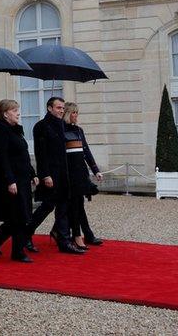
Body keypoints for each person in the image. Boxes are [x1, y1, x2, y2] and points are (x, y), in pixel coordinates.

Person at [0, 99, 38, 262]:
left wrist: (32, 173)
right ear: (6, 114)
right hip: (12, 180)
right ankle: (18, 252)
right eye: (15, 110)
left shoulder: (15, 130)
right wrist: (10, 180)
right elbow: (3, 157)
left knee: (21, 215)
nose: (18, 113)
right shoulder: (1, 130)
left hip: (22, 178)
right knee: (20, 216)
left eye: (17, 110)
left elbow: (23, 155)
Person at [30, 96, 84, 254]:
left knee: (63, 207)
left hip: (63, 174)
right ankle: (26, 233)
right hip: (51, 175)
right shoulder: (41, 126)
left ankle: (64, 241)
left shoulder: (61, 125)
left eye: (62, 108)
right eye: (59, 108)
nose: (61, 110)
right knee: (47, 206)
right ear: (49, 108)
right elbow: (41, 154)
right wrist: (45, 175)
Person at [63, 102, 104, 249]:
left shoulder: (79, 130)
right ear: (67, 113)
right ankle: (80, 235)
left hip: (80, 173)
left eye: (77, 112)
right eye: (73, 112)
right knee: (75, 205)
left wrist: (95, 170)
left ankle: (82, 234)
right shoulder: (60, 129)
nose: (76, 115)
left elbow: (86, 151)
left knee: (78, 205)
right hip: (69, 174)